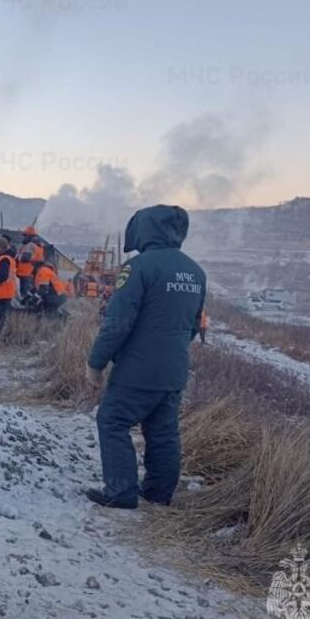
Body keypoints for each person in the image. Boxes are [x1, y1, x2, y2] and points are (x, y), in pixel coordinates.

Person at [84, 205, 207, 509]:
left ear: (144, 229)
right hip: (175, 369)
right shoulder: (195, 271)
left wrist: (96, 362)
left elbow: (117, 323)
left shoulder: (138, 267)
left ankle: (121, 493)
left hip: (137, 371)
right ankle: (158, 493)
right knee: (163, 430)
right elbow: (194, 325)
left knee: (112, 421)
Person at [16, 226, 45, 304]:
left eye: (25, 235)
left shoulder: (30, 245)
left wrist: (16, 256)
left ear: (29, 236)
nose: (24, 237)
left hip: (25, 273)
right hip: (31, 272)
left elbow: (25, 258)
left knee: (25, 294)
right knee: (29, 293)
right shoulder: (38, 246)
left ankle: (26, 309)